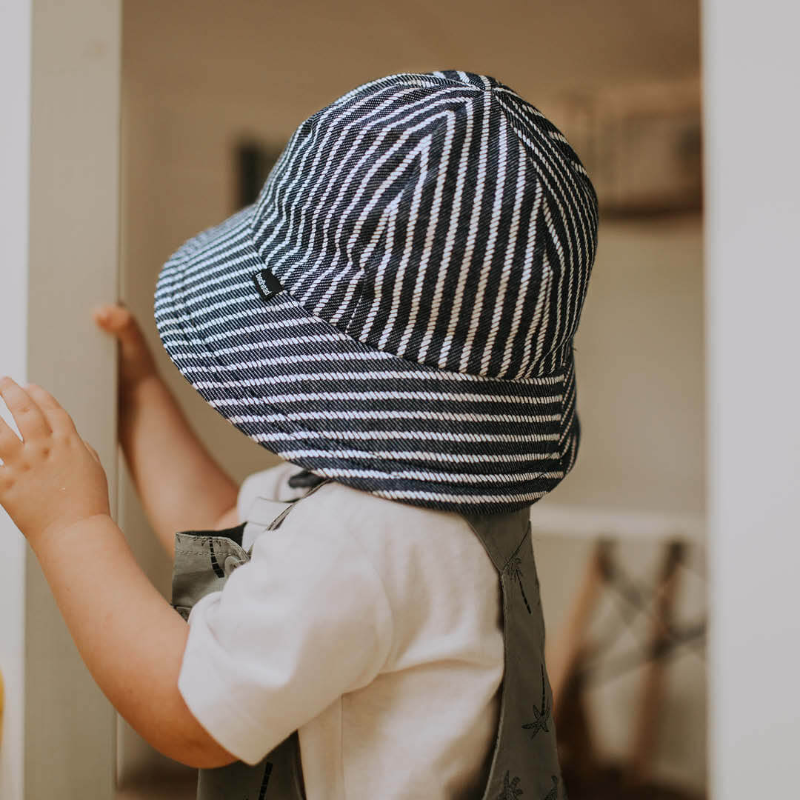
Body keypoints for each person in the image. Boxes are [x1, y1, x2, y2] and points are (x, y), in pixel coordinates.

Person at [0, 70, 597, 799]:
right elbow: (233, 539)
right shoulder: (428, 503)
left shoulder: (363, 538)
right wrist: (140, 398)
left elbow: (190, 713)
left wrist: (71, 523)